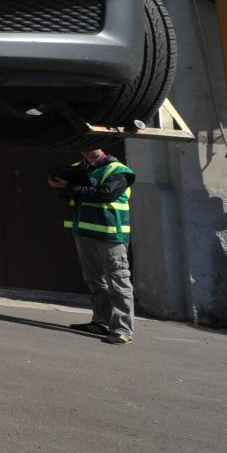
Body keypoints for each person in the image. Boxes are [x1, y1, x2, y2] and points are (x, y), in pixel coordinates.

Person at [48, 147, 136, 346]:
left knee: (117, 280)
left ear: (101, 145)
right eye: (82, 146)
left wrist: (71, 188)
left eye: (90, 145)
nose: (85, 150)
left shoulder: (118, 170)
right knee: (95, 280)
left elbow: (105, 194)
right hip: (84, 231)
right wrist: (59, 186)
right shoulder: (77, 168)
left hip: (111, 234)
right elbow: (67, 197)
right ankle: (101, 322)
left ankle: (122, 329)